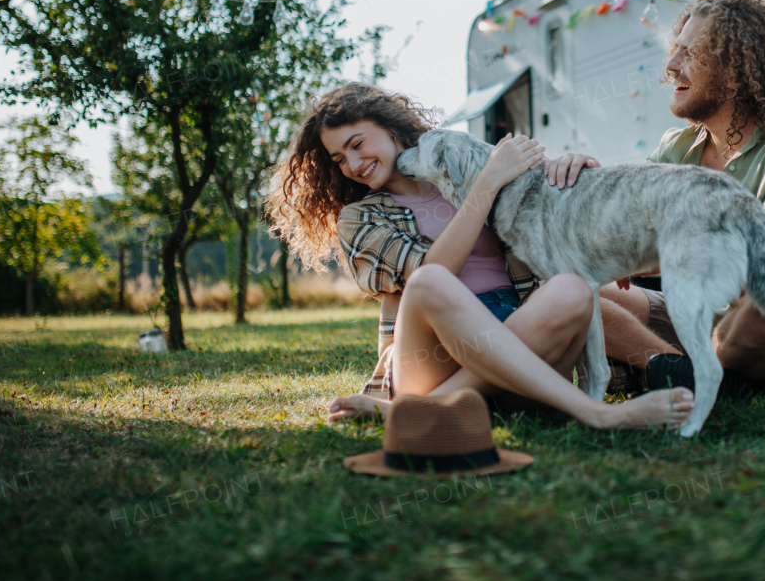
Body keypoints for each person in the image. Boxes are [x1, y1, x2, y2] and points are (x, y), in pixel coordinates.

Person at [266, 82, 694, 430]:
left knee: (570, 289)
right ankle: (595, 413)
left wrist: (574, 171)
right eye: (340, 159)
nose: (354, 163)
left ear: (390, 129)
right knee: (430, 282)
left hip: (517, 345)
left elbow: (552, 211)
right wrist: (487, 185)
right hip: (433, 355)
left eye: (358, 144)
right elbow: (434, 272)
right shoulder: (360, 219)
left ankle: (423, 411)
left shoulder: (466, 167)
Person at [543, 0, 765, 396]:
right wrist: (586, 175)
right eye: (677, 49)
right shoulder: (677, 147)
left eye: (690, 53)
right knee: (566, 286)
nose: (671, 64)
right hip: (699, 318)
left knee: (760, 312)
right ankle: (678, 372)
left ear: (736, 66)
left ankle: (687, 372)